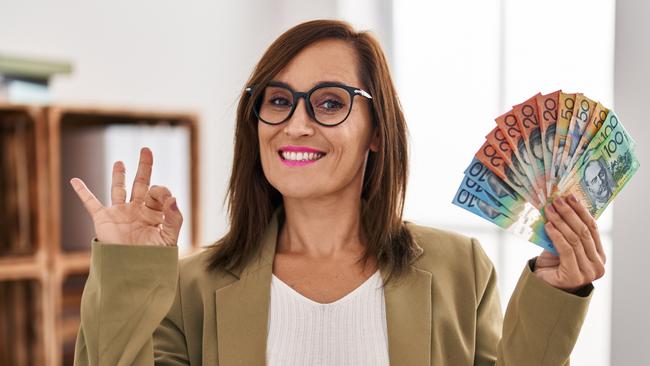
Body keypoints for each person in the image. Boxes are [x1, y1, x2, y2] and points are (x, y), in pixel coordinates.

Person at [71, 20, 606, 366]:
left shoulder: (459, 268)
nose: (296, 125)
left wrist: (555, 293)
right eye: (278, 101)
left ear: (376, 131)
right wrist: (127, 273)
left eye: (329, 103)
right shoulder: (191, 286)